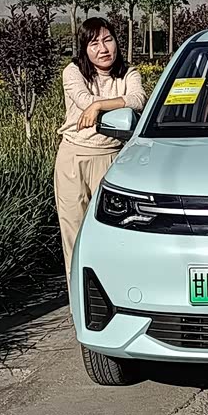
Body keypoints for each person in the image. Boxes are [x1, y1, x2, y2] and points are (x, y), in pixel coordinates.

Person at [54, 17, 147, 289]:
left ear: (117, 41)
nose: (103, 49)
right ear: (84, 48)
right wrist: (100, 104)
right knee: (74, 235)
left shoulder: (129, 74)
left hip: (112, 158)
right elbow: (83, 100)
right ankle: (77, 299)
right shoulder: (73, 71)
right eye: (94, 43)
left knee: (113, 234)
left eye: (108, 40)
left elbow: (139, 99)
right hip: (73, 158)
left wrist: (98, 107)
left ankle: (116, 294)